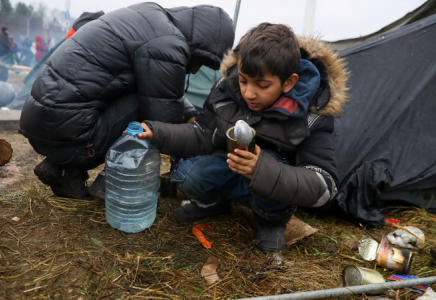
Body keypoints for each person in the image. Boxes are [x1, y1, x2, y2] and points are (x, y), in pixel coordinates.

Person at [136, 23, 348, 253]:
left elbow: (325, 185)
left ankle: (270, 222)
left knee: (272, 161)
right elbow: (201, 134)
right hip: (228, 168)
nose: (248, 93)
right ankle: (213, 203)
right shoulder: (226, 90)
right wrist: (157, 131)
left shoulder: (314, 115)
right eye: (244, 80)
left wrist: (262, 170)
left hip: (273, 191)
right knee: (190, 172)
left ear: (289, 82)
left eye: (262, 85)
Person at [18, 3, 235, 200]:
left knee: (146, 102)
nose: (196, 69)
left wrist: (188, 114)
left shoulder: (150, 17)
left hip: (41, 127)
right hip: (73, 136)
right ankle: (113, 181)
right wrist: (188, 142)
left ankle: (64, 170)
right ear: (201, 44)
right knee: (152, 121)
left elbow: (160, 90)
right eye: (202, 61)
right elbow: (162, 118)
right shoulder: (167, 43)